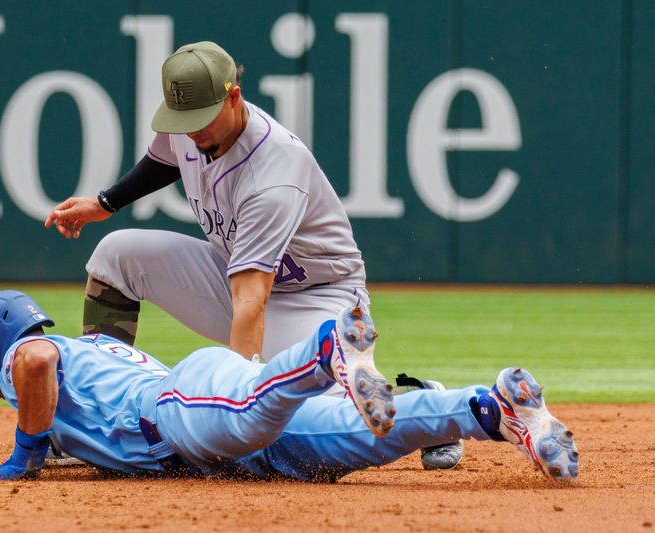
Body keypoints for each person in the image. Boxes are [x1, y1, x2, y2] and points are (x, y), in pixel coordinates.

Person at [43, 40, 462, 469]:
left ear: (234, 98)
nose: (192, 131)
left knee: (321, 424)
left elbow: (250, 300)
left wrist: (228, 413)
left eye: (202, 119)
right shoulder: (191, 122)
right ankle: (91, 410)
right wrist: (106, 202)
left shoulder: (274, 173)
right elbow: (164, 159)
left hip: (316, 297)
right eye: (182, 120)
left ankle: (431, 407)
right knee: (117, 255)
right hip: (233, 271)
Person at [0, 290, 579, 484]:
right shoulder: (89, 354)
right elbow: (74, 425)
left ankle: (324, 352)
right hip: (214, 443)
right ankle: (490, 409)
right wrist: (51, 446)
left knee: (255, 406)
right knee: (359, 440)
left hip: (180, 407)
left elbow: (33, 363)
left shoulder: (29, 354)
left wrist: (26, 451)